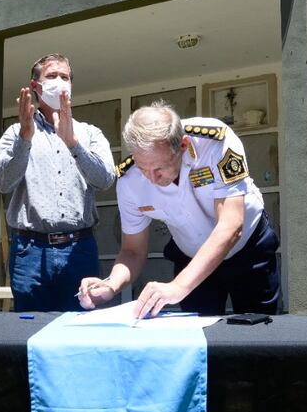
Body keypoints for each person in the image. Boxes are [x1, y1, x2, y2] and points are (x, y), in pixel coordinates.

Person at [78, 102, 280, 318]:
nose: (152, 179)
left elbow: (231, 227)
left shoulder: (215, 143)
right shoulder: (129, 180)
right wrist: (110, 284)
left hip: (247, 248)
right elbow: (132, 251)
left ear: (183, 145)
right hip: (190, 255)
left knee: (257, 334)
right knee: (199, 339)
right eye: (143, 168)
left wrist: (178, 287)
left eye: (159, 168)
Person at [0, 53, 115, 311]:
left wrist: (73, 144)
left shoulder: (90, 133)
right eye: (52, 76)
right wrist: (25, 139)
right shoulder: (15, 133)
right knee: (30, 330)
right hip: (29, 251)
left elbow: (105, 179)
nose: (60, 81)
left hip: (79, 248)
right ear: (36, 86)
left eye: (65, 77)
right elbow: (3, 183)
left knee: (80, 330)